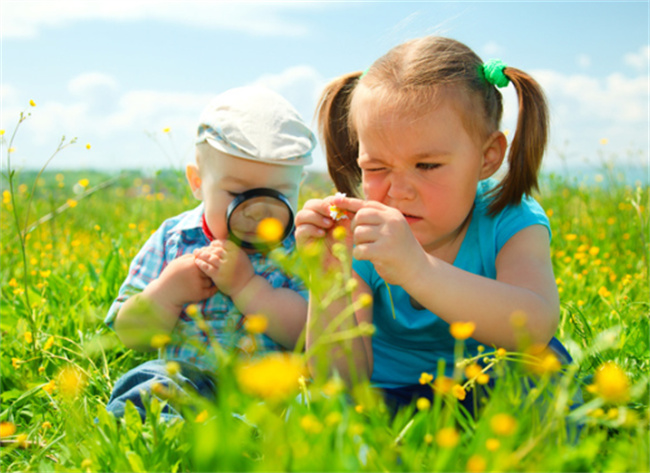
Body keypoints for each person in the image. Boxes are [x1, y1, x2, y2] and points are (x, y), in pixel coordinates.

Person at [295, 36, 579, 414]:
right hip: (389, 394)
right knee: (314, 407)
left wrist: (417, 270)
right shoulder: (359, 234)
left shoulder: (510, 217)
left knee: (546, 376)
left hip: (492, 385)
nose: (398, 192)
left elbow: (535, 326)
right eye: (376, 168)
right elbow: (341, 379)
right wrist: (327, 274)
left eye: (427, 166)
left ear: (487, 157)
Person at [105, 86, 317, 420]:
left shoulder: (301, 246)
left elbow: (309, 335)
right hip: (187, 382)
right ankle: (169, 435)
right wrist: (167, 291)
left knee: (315, 401)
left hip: (273, 389)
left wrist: (248, 288)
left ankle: (257, 443)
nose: (258, 211)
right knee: (150, 380)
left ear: (299, 185)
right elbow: (129, 331)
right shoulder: (174, 239)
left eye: (278, 194)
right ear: (197, 181)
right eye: (236, 192)